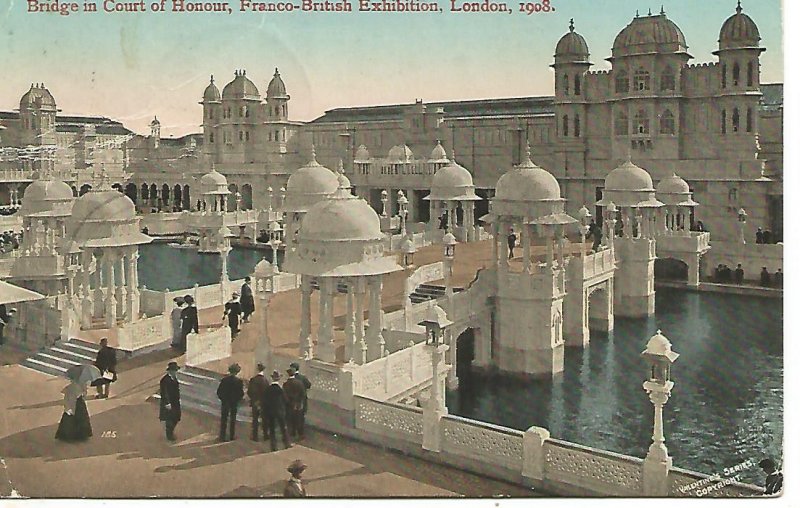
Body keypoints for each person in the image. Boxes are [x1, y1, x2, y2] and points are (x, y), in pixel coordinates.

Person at [263, 370, 291, 451]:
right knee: (283, 427)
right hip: (280, 411)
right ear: (279, 379)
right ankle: (286, 443)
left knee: (272, 430)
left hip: (270, 412)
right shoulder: (280, 390)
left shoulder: (268, 389)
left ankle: (273, 446)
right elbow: (286, 400)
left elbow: (265, 401)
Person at [217, 363, 244, 441]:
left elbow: (219, 391)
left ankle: (222, 436)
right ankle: (232, 436)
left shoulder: (224, 380)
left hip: (225, 402)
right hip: (234, 403)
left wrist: (223, 399)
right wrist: (237, 400)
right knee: (233, 419)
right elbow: (240, 393)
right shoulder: (239, 381)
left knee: (224, 419)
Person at [159, 362, 182, 441]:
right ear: (170, 371)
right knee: (169, 419)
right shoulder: (164, 380)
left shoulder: (174, 378)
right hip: (169, 403)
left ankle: (170, 432)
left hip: (175, 402)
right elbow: (164, 392)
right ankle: (169, 434)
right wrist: (167, 403)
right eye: (174, 370)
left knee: (176, 417)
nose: (176, 372)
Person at [284, 367, 307, 442]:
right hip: (298, 405)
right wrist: (300, 402)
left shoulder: (286, 384)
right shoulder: (299, 383)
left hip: (289, 405)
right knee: (299, 420)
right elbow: (303, 394)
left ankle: (291, 433)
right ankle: (301, 435)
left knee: (290, 420)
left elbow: (284, 395)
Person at [248, 363, 269, 442]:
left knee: (255, 419)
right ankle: (265, 435)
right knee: (264, 419)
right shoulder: (266, 381)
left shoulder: (253, 380)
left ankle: (255, 436)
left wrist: (254, 400)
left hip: (255, 402)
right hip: (263, 403)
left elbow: (250, 391)